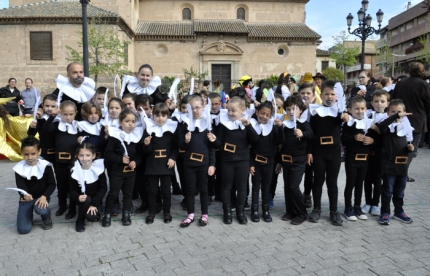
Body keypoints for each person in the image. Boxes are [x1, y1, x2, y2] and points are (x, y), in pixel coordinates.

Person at [308, 80, 349, 226]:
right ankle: (317, 209)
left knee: (332, 182)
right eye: (326, 94)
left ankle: (334, 211)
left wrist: (346, 119)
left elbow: (349, 129)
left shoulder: (341, 113)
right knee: (318, 181)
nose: (329, 97)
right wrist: (309, 152)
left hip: (334, 153)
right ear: (321, 94)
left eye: (333, 94)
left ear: (337, 96)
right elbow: (311, 135)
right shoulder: (315, 112)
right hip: (318, 152)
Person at [215, 96, 259, 224]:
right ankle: (227, 212)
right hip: (227, 160)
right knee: (227, 186)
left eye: (233, 111)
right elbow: (219, 142)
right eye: (228, 110)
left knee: (242, 187)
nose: (230, 113)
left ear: (243, 110)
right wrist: (213, 139)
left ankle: (240, 212)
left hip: (242, 160)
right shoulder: (224, 125)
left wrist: (249, 126)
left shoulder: (246, 124)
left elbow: (255, 140)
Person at [371, 99, 414, 225]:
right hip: (389, 164)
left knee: (400, 191)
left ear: (404, 113)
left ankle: (399, 211)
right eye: (393, 112)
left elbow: (408, 143)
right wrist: (395, 116)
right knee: (387, 190)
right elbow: (382, 126)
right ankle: (385, 212)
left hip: (402, 165)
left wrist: (410, 148)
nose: (397, 114)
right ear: (388, 113)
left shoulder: (406, 126)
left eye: (399, 112)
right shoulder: (386, 127)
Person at [179, 95, 217, 227]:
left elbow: (214, 147)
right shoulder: (185, 125)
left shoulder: (208, 125)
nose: (195, 110)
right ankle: (190, 214)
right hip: (189, 164)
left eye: (197, 107)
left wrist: (212, 164)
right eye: (192, 108)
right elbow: (179, 145)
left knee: (204, 189)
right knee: (190, 189)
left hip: (203, 164)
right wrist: (186, 141)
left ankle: (204, 214)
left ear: (203, 107)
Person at [103, 109, 143, 227]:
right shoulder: (114, 137)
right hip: (117, 171)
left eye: (133, 121)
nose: (130, 124)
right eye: (127, 121)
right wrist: (120, 159)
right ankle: (107, 213)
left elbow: (140, 154)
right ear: (120, 122)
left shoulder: (136, 136)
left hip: (131, 172)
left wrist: (136, 162)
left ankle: (126, 213)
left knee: (128, 194)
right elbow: (109, 153)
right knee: (113, 193)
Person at [391, 62, 430, 182]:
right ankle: (403, 173)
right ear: (422, 71)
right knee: (412, 149)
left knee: (399, 147)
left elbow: (394, 99)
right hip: (417, 120)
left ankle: (395, 171)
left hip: (401, 118)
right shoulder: (423, 84)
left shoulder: (400, 84)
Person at [277, 95, 313, 225]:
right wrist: (280, 128)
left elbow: (311, 135)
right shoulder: (285, 125)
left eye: (294, 109)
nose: (291, 112)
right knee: (287, 187)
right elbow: (281, 143)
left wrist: (302, 134)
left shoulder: (303, 124)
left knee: (293, 186)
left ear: (300, 111)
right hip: (286, 160)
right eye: (288, 109)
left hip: (298, 160)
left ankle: (302, 213)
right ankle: (290, 210)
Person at [341, 96, 376, 221]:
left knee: (359, 183)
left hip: (365, 159)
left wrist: (371, 140)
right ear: (350, 110)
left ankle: (357, 207)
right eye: (357, 109)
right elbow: (343, 140)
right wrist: (354, 137)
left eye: (362, 108)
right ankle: (348, 208)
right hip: (352, 158)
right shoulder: (348, 123)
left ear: (366, 109)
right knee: (350, 183)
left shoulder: (369, 124)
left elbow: (376, 141)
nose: (360, 111)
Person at [142, 103, 178, 224]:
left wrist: (173, 158)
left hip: (166, 164)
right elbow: (145, 152)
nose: (160, 118)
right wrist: (146, 144)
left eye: (163, 115)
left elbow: (175, 147)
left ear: (167, 116)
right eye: (157, 115)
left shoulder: (171, 129)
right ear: (152, 115)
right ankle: (152, 212)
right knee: (152, 191)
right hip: (152, 164)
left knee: (166, 191)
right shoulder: (148, 129)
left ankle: (167, 212)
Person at [249, 101, 284, 223]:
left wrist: (280, 128)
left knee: (266, 187)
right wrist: (251, 164)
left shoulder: (273, 127)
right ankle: (254, 210)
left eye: (267, 115)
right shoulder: (252, 126)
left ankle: (265, 210)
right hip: (256, 162)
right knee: (255, 187)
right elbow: (249, 147)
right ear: (257, 112)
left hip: (269, 163)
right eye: (262, 113)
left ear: (271, 116)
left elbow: (280, 141)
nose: (264, 116)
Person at [13, 136, 56, 234]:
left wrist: (45, 196)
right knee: (23, 230)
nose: (30, 157)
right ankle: (28, 215)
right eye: (26, 154)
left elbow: (52, 184)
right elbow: (20, 185)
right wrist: (24, 195)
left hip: (42, 197)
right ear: (22, 153)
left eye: (33, 154)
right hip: (27, 198)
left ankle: (46, 216)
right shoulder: (19, 168)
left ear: (39, 152)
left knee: (41, 210)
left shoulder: (46, 166)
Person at [49, 100, 80, 219]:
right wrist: (53, 116)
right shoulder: (57, 125)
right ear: (60, 113)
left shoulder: (78, 126)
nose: (68, 117)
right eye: (65, 114)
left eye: (71, 114)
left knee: (73, 185)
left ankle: (72, 208)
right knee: (61, 185)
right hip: (59, 162)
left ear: (75, 113)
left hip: (73, 162)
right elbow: (47, 130)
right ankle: (62, 205)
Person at [362, 90, 390, 216]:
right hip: (367, 153)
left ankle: (375, 204)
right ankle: (367, 202)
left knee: (378, 180)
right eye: (376, 101)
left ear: (387, 103)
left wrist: (378, 131)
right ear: (372, 103)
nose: (379, 104)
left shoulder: (388, 118)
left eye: (382, 101)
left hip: (380, 154)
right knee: (367, 179)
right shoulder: (367, 115)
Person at [69, 142, 107, 232]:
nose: (84, 158)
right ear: (77, 156)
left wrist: (94, 204)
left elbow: (103, 188)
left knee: (91, 217)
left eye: (88, 155)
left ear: (93, 156)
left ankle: (96, 210)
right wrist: (78, 197)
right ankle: (80, 220)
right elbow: (72, 190)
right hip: (81, 200)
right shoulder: (74, 170)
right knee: (86, 199)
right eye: (81, 155)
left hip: (95, 200)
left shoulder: (99, 169)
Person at [28, 94, 58, 164]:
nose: (50, 108)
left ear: (57, 107)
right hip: (44, 152)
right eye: (47, 106)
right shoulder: (40, 119)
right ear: (43, 106)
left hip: (57, 152)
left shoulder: (60, 119)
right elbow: (31, 134)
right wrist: (32, 127)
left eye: (53, 106)